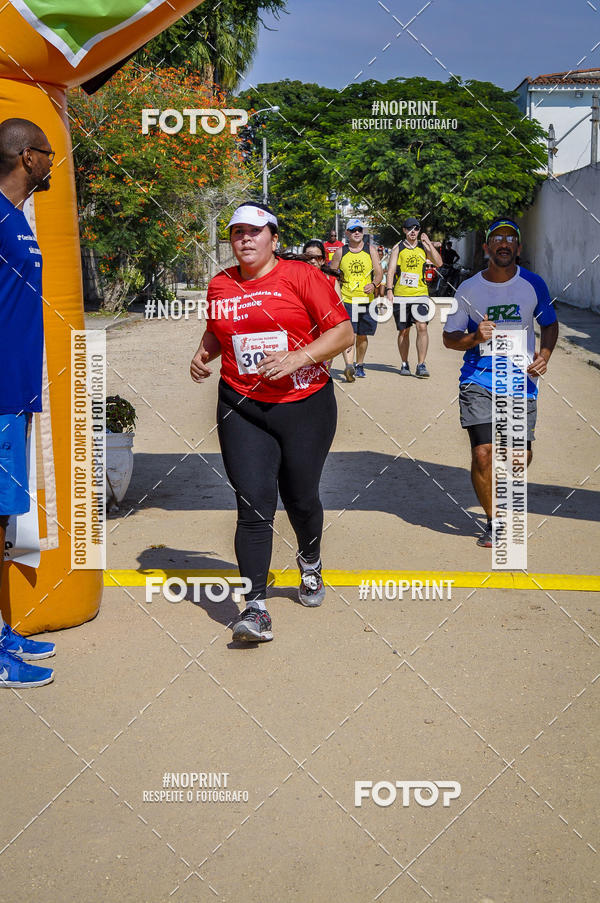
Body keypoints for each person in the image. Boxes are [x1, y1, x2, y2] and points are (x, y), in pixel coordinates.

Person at [190, 203, 354, 643]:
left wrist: (299, 357)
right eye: (237, 232)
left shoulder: (302, 276)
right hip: (240, 405)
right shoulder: (220, 284)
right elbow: (218, 329)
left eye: (254, 231)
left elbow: (343, 333)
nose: (244, 239)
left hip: (304, 404)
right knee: (253, 503)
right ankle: (255, 608)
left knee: (300, 498)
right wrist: (204, 353)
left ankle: (311, 560)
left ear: (274, 238)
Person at [443, 218, 558, 547]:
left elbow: (549, 324)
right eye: (497, 238)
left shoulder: (534, 284)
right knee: (483, 453)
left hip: (521, 381)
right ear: (486, 247)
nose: (504, 243)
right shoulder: (469, 289)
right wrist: (474, 337)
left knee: (519, 455)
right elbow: (449, 338)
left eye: (510, 238)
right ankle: (494, 521)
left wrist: (545, 355)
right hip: (478, 379)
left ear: (518, 248)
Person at [0, 118, 57, 687]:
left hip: (14, 394)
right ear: (26, 158)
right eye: (47, 153)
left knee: (3, 520)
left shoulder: (15, 217)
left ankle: (1, 632)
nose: (52, 164)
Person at [386, 216, 442, 378]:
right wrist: (389, 290)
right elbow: (390, 270)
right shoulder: (399, 248)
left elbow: (439, 263)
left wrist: (429, 244)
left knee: (422, 326)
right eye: (410, 228)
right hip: (402, 294)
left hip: (420, 294)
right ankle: (404, 363)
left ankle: (421, 364)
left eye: (416, 228)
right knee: (404, 331)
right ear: (404, 230)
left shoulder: (424, 247)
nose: (413, 231)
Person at [330, 218, 382, 380]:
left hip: (367, 300)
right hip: (347, 300)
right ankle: (349, 366)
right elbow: (332, 275)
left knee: (362, 335)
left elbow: (379, 272)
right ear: (347, 233)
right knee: (350, 335)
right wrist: (335, 292)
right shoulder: (341, 252)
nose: (357, 232)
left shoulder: (370, 250)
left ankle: (360, 364)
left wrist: (374, 284)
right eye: (353, 230)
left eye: (359, 229)